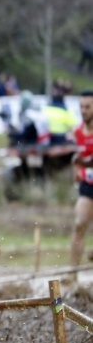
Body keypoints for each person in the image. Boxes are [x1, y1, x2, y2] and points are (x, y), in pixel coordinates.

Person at [69, 91, 93, 268]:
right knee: (79, 225)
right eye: (81, 107)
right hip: (88, 185)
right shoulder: (78, 131)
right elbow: (79, 158)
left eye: (88, 107)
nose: (84, 111)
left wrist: (83, 161)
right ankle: (72, 275)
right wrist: (77, 169)